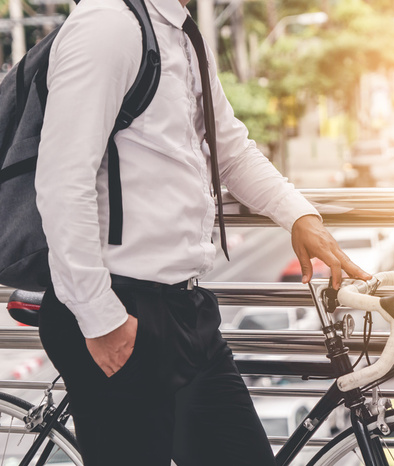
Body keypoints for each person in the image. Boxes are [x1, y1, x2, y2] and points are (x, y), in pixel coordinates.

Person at [34, 0, 371, 464]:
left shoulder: (181, 30)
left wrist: (298, 214)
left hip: (183, 310)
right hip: (120, 308)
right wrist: (101, 319)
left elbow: (229, 149)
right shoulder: (107, 26)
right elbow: (61, 180)